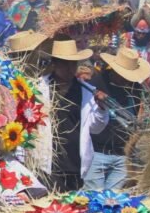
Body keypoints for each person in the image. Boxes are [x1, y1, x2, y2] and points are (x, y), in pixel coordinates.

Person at [37, 38, 109, 192]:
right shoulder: (38, 89)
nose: (70, 68)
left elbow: (95, 128)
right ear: (55, 64)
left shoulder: (87, 91)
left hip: (75, 163)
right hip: (47, 163)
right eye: (65, 63)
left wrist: (102, 108)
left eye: (73, 64)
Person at [84, 48, 150, 191]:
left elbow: (138, 113)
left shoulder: (136, 88)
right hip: (96, 152)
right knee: (92, 200)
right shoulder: (96, 83)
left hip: (122, 154)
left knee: (114, 203)